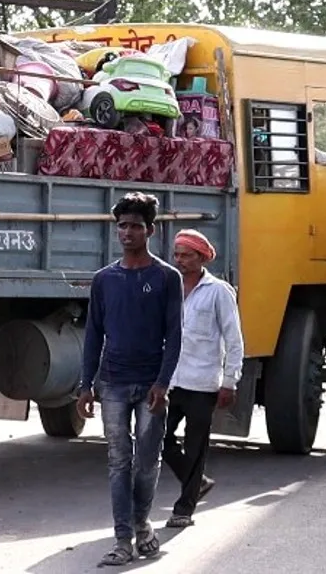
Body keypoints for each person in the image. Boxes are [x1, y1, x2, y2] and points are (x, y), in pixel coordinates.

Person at [77, 192, 184, 567]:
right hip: (113, 384)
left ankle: (141, 523)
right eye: (122, 226)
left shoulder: (166, 278)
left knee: (147, 462)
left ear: (149, 231)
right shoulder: (104, 280)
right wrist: (85, 384)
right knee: (119, 460)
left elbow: (175, 335)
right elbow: (93, 334)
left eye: (135, 226)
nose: (127, 233)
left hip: (151, 385)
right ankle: (124, 538)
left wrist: (163, 383)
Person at [162, 229, 244, 529]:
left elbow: (233, 339)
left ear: (201, 257)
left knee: (196, 447)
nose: (180, 261)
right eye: (177, 255)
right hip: (170, 381)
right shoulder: (170, 287)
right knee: (160, 438)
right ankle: (196, 482)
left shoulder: (218, 291)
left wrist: (229, 382)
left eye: (187, 256)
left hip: (203, 382)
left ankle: (184, 508)